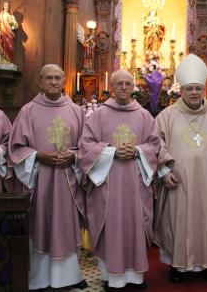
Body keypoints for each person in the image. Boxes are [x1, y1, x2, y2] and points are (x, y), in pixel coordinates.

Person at [153, 54, 207, 282]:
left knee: (206, 221)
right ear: (181, 90)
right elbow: (155, 144)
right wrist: (164, 172)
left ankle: (205, 264)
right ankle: (177, 266)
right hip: (178, 182)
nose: (194, 93)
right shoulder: (166, 116)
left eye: (198, 89)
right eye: (190, 88)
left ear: (204, 90)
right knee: (177, 223)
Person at [78, 69, 160, 291]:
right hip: (107, 183)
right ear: (112, 87)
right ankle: (112, 277)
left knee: (136, 223)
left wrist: (137, 151)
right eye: (119, 84)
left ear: (133, 86)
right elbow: (85, 146)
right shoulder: (98, 115)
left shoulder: (144, 115)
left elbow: (154, 145)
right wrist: (112, 152)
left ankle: (135, 277)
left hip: (136, 184)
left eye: (128, 83)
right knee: (111, 225)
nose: (124, 87)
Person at [8, 64, 87, 291]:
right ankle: (39, 279)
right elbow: (15, 148)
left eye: (58, 78)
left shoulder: (76, 111)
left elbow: (87, 146)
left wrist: (73, 157)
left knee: (66, 224)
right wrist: (38, 156)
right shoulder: (28, 111)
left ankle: (68, 277)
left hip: (67, 180)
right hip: (40, 179)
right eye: (48, 78)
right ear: (40, 82)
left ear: (64, 82)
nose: (53, 82)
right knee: (40, 223)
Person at [0, 0, 19, 65]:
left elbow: (16, 26)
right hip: (2, 33)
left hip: (10, 34)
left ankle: (9, 61)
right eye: (5, 5)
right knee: (2, 46)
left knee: (10, 48)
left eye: (8, 5)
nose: (7, 7)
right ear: (3, 6)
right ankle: (2, 61)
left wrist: (12, 23)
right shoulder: (0, 15)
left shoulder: (12, 16)